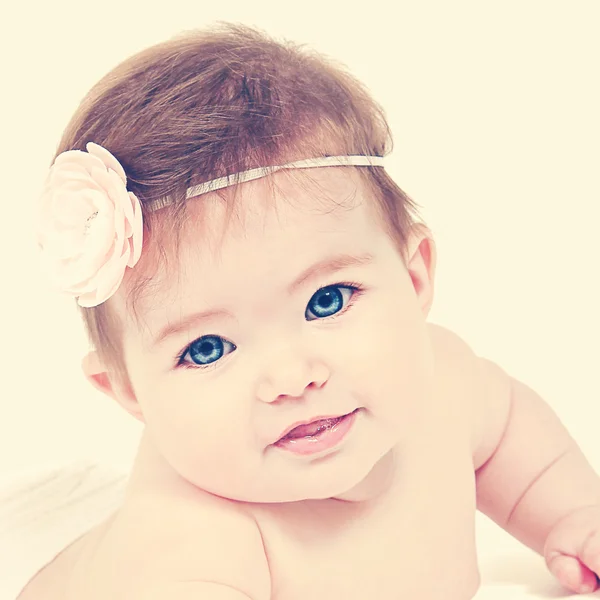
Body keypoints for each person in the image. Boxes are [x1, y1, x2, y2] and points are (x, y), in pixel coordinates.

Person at [21, 22, 600, 600]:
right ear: (127, 391)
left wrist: (573, 516)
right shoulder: (192, 545)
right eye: (207, 349)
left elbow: (509, 440)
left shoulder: (444, 383)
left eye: (326, 302)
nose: (292, 378)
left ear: (414, 273)